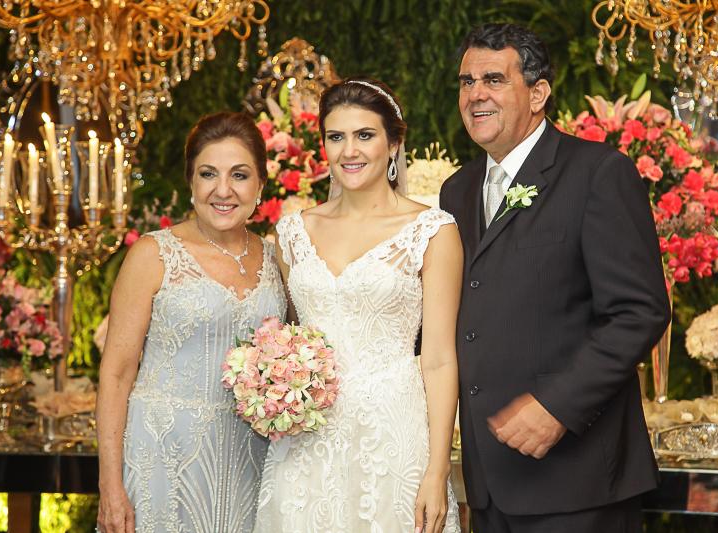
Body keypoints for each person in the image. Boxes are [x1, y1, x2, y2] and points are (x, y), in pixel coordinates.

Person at [439, 23, 671, 533]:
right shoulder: (457, 190)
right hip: (488, 481)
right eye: (466, 81)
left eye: (494, 80)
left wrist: (557, 408)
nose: (475, 94)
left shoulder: (598, 172)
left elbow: (639, 311)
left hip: (577, 479)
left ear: (538, 93)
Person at [255, 78, 463, 533]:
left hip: (393, 434)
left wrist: (437, 470)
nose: (349, 151)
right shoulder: (292, 232)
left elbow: (440, 359)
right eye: (336, 136)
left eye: (365, 135)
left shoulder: (432, 231)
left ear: (394, 144)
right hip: (306, 440)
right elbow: (290, 336)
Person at [95, 112, 286, 533]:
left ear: (260, 185)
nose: (223, 190)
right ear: (191, 182)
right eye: (208, 174)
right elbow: (116, 374)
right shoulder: (152, 255)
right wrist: (110, 485)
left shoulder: (277, 260)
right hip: (163, 459)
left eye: (239, 175)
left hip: (249, 459)